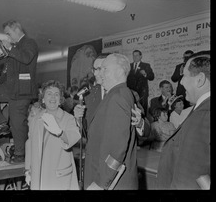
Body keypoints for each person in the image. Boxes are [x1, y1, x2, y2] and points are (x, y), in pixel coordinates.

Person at [0, 20, 39, 163]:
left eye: (9, 33)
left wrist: (9, 49)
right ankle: (1, 123)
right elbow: (9, 73)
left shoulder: (29, 43)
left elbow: (26, 58)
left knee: (17, 123)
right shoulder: (15, 47)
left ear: (17, 29)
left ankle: (20, 154)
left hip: (22, 91)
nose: (8, 37)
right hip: (11, 87)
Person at [84, 53, 138, 190]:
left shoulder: (118, 97)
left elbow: (116, 148)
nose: (99, 73)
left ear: (119, 71)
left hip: (110, 183)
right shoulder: (117, 94)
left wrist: (101, 183)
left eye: (105, 69)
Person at [157, 51, 210, 189]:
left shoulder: (204, 115)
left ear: (200, 79)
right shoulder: (199, 109)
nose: (181, 82)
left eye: (184, 76)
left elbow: (190, 176)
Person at [25, 80, 81, 190]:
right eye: (49, 94)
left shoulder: (68, 118)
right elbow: (29, 143)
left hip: (59, 176)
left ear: (60, 100)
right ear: (43, 99)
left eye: (56, 94)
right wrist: (27, 169)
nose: (53, 97)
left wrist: (60, 132)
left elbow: (73, 137)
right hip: (38, 174)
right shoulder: (36, 119)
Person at [127, 50, 154, 116]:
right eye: (134, 55)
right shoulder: (128, 66)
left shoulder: (146, 65)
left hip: (142, 93)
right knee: (132, 110)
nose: (135, 57)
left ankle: (144, 124)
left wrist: (145, 74)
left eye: (137, 55)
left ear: (141, 56)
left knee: (142, 111)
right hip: (131, 92)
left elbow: (151, 77)